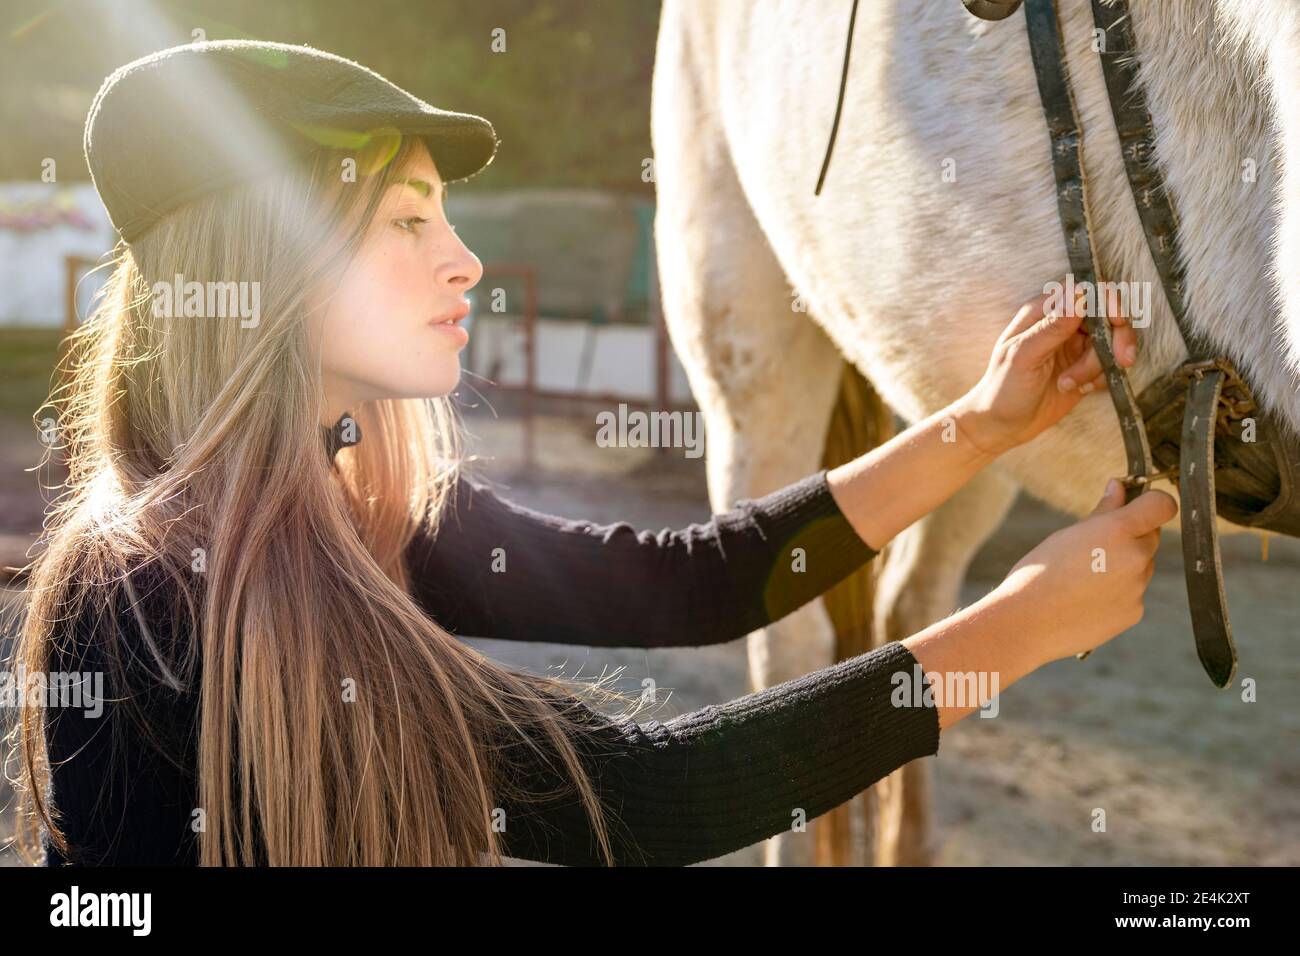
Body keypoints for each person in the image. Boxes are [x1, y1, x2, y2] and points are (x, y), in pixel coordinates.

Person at [7, 40, 1175, 867]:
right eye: (409, 219)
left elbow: (691, 578)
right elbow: (649, 796)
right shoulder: (155, 593)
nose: (463, 260)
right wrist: (1020, 626)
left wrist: (980, 422)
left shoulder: (363, 503)